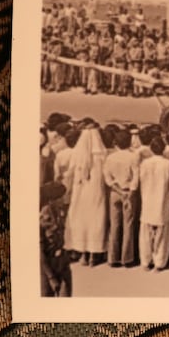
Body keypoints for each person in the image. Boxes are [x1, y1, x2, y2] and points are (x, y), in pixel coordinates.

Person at [64, 123, 108, 266]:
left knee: (81, 220)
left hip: (80, 194)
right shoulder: (101, 154)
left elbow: (69, 173)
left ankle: (82, 253)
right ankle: (93, 255)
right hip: (96, 194)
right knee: (96, 221)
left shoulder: (77, 154)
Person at [138, 136, 169, 271]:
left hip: (147, 200)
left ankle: (145, 261)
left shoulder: (144, 163)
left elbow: (140, 180)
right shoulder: (168, 164)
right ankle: (159, 263)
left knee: (145, 234)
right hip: (162, 200)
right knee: (162, 234)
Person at [103, 129, 140, 268]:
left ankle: (113, 258)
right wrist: (130, 192)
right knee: (128, 225)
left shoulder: (110, 158)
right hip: (128, 191)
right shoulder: (133, 157)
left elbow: (108, 178)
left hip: (115, 192)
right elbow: (136, 177)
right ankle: (127, 258)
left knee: (115, 225)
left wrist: (118, 190)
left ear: (116, 143)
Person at [40, 181, 71, 297]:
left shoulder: (60, 213)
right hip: (48, 267)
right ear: (52, 200)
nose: (65, 199)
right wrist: (51, 277)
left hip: (62, 263)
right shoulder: (41, 221)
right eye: (62, 197)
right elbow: (39, 252)